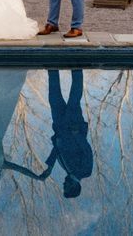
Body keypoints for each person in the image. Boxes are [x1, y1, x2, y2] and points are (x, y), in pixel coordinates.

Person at [41, 69, 93, 198]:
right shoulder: (85, 172)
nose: (63, 184)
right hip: (73, 126)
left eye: (63, 187)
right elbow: (87, 151)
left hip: (60, 127)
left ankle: (52, 68)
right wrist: (77, 134)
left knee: (53, 98)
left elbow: (58, 149)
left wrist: (50, 167)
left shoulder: (67, 169)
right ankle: (77, 67)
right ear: (75, 187)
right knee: (74, 97)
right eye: (66, 187)